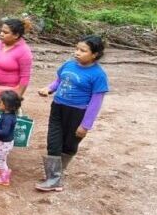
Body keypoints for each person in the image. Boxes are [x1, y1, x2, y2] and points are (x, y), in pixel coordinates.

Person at [35, 35, 109, 192]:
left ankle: (56, 175)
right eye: (77, 49)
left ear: (94, 54)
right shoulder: (68, 65)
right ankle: (54, 178)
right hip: (58, 107)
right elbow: (59, 81)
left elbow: (96, 102)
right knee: (53, 141)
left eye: (83, 50)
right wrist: (49, 89)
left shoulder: (98, 75)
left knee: (69, 145)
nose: (77, 52)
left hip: (78, 113)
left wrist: (85, 125)